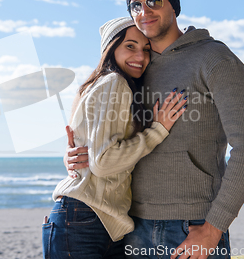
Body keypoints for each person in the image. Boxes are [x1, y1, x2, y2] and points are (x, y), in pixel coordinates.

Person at [65, 0, 244, 259]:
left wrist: (213, 228)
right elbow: (99, 125)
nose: (144, 11)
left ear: (174, 4)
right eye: (135, 5)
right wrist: (73, 155)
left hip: (191, 228)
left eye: (154, 1)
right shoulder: (133, 68)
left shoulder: (214, 59)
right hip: (130, 228)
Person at [42, 17, 187, 259]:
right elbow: (103, 162)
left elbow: (89, 151)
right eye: (130, 46)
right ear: (111, 48)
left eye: (146, 49)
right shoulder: (115, 82)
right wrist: (158, 130)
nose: (140, 57)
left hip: (92, 221)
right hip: (85, 219)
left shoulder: (104, 85)